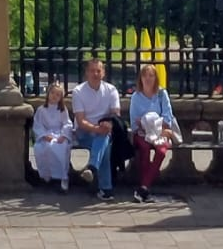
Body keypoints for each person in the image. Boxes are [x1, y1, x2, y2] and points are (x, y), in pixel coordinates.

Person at [70, 58, 122, 201]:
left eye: (98, 71)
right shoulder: (78, 91)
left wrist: (108, 125)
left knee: (103, 140)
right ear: (87, 73)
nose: (95, 74)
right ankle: (105, 188)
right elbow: (80, 121)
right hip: (84, 131)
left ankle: (94, 171)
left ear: (103, 73)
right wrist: (96, 129)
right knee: (103, 142)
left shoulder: (111, 90)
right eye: (92, 71)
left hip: (104, 129)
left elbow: (115, 114)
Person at [129, 64, 179, 203]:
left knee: (161, 151)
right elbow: (134, 121)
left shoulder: (162, 94)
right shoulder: (136, 97)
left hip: (159, 131)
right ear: (141, 78)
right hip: (142, 132)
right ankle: (144, 186)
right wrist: (145, 125)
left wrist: (157, 126)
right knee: (144, 149)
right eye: (145, 76)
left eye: (151, 76)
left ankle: (144, 186)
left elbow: (167, 116)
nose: (148, 79)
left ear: (155, 78)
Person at [32, 84, 73, 190]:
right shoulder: (41, 110)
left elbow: (67, 123)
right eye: (53, 93)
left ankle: (63, 177)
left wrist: (64, 135)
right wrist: (44, 135)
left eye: (58, 95)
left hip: (59, 134)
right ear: (48, 94)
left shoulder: (62, 110)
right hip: (46, 134)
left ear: (61, 98)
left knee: (60, 147)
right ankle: (47, 175)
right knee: (41, 147)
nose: (54, 96)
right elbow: (38, 124)